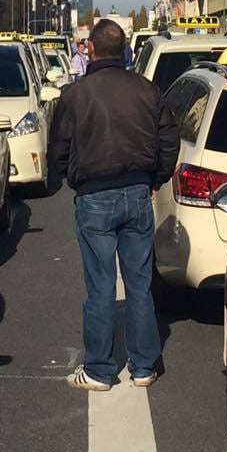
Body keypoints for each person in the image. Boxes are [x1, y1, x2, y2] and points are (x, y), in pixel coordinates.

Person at [48, 19, 178, 391]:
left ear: (89, 48)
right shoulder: (147, 90)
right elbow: (169, 139)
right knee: (140, 285)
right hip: (138, 192)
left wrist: (72, 178)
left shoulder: (75, 94)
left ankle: (100, 371)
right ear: (124, 51)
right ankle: (143, 367)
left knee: (101, 287)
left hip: (94, 196)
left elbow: (58, 148)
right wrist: (156, 178)